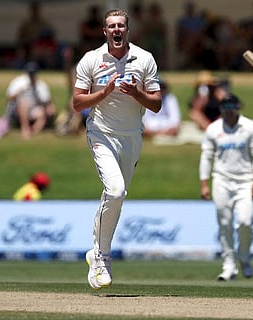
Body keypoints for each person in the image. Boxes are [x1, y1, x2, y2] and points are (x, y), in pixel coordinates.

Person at [72, 9, 161, 290]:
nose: (116, 30)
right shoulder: (92, 60)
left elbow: (156, 104)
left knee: (118, 196)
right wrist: (104, 92)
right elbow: (77, 104)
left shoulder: (144, 59)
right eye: (111, 26)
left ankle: (97, 252)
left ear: (127, 30)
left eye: (121, 25)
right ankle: (100, 258)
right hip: (102, 134)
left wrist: (137, 94)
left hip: (131, 136)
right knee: (115, 190)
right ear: (105, 32)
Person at [199, 94, 253, 281]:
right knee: (225, 222)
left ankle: (244, 257)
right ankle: (228, 264)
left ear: (238, 107)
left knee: (245, 222)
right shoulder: (213, 129)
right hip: (221, 180)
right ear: (220, 109)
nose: (228, 111)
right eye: (224, 108)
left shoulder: (250, 127)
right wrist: (204, 183)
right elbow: (206, 157)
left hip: (245, 181)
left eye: (231, 107)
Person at [6, 61, 56, 139]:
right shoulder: (18, 82)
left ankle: (32, 131)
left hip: (33, 110)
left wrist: (50, 108)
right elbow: (9, 98)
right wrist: (20, 91)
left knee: (42, 112)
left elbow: (47, 101)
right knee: (24, 104)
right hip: (16, 110)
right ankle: (25, 129)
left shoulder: (40, 85)